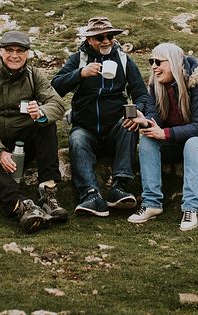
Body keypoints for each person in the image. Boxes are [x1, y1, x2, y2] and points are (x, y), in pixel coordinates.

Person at [51, 17, 149, 217]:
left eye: (110, 36)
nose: (106, 41)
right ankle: (90, 195)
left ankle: (119, 187)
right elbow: (54, 88)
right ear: (89, 40)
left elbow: (141, 94)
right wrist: (80, 74)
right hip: (85, 128)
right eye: (99, 37)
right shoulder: (78, 59)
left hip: (115, 128)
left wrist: (137, 111)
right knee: (77, 139)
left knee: (129, 125)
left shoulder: (123, 60)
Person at [0, 31, 68, 232]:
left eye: (20, 51)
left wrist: (41, 112)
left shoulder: (34, 75)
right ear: (0, 51)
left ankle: (48, 192)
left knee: (46, 125)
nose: (14, 55)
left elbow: (57, 104)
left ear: (27, 54)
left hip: (23, 141)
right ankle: (20, 205)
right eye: (9, 50)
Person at [124, 42, 198, 231]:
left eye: (158, 62)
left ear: (173, 63)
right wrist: (145, 121)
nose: (153, 67)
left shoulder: (197, 84)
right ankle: (152, 203)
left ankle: (191, 208)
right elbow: (154, 115)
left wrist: (165, 133)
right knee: (148, 139)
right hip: (175, 143)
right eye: (152, 61)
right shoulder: (155, 86)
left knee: (192, 143)